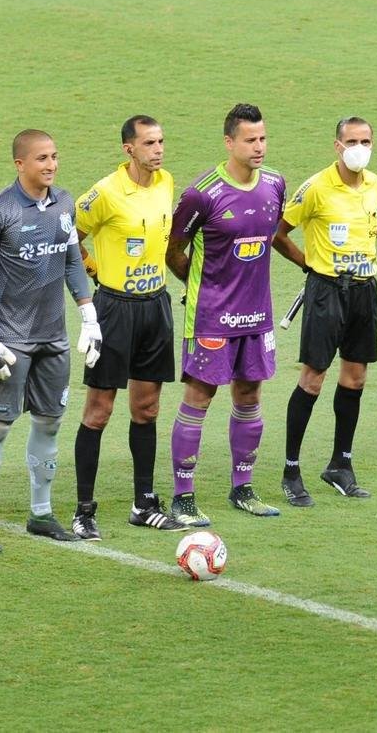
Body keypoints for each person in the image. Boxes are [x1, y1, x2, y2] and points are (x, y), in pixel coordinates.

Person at [0, 129, 101, 554]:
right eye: (42, 158)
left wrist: (88, 315)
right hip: (12, 340)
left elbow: (72, 261)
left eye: (55, 156)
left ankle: (41, 513)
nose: (51, 165)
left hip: (53, 338)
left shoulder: (64, 202)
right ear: (19, 164)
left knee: (50, 422)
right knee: (0, 425)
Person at [165, 104, 285, 525]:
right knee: (200, 398)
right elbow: (174, 251)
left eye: (263, 138)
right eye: (250, 140)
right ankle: (182, 496)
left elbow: (269, 237)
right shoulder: (203, 194)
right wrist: (202, 288)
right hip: (212, 317)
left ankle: (243, 487)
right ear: (229, 142)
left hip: (257, 316)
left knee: (250, 395)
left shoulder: (275, 184)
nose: (259, 147)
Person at [70, 116, 187, 540]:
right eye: (149, 143)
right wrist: (94, 270)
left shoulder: (165, 183)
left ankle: (144, 502)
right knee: (99, 411)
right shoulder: (104, 193)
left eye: (161, 141)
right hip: (114, 308)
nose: (158, 149)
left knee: (147, 408)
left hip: (155, 307)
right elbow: (70, 237)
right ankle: (84, 511)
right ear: (128, 149)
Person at [273, 117, 377, 505]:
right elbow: (278, 233)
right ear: (337, 146)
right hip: (326, 291)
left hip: (365, 289)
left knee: (355, 379)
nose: (360, 147)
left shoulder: (375, 185)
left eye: (366, 140)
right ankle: (291, 470)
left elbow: (375, 229)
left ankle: (340, 464)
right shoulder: (316, 187)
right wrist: (309, 264)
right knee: (313, 379)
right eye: (352, 141)